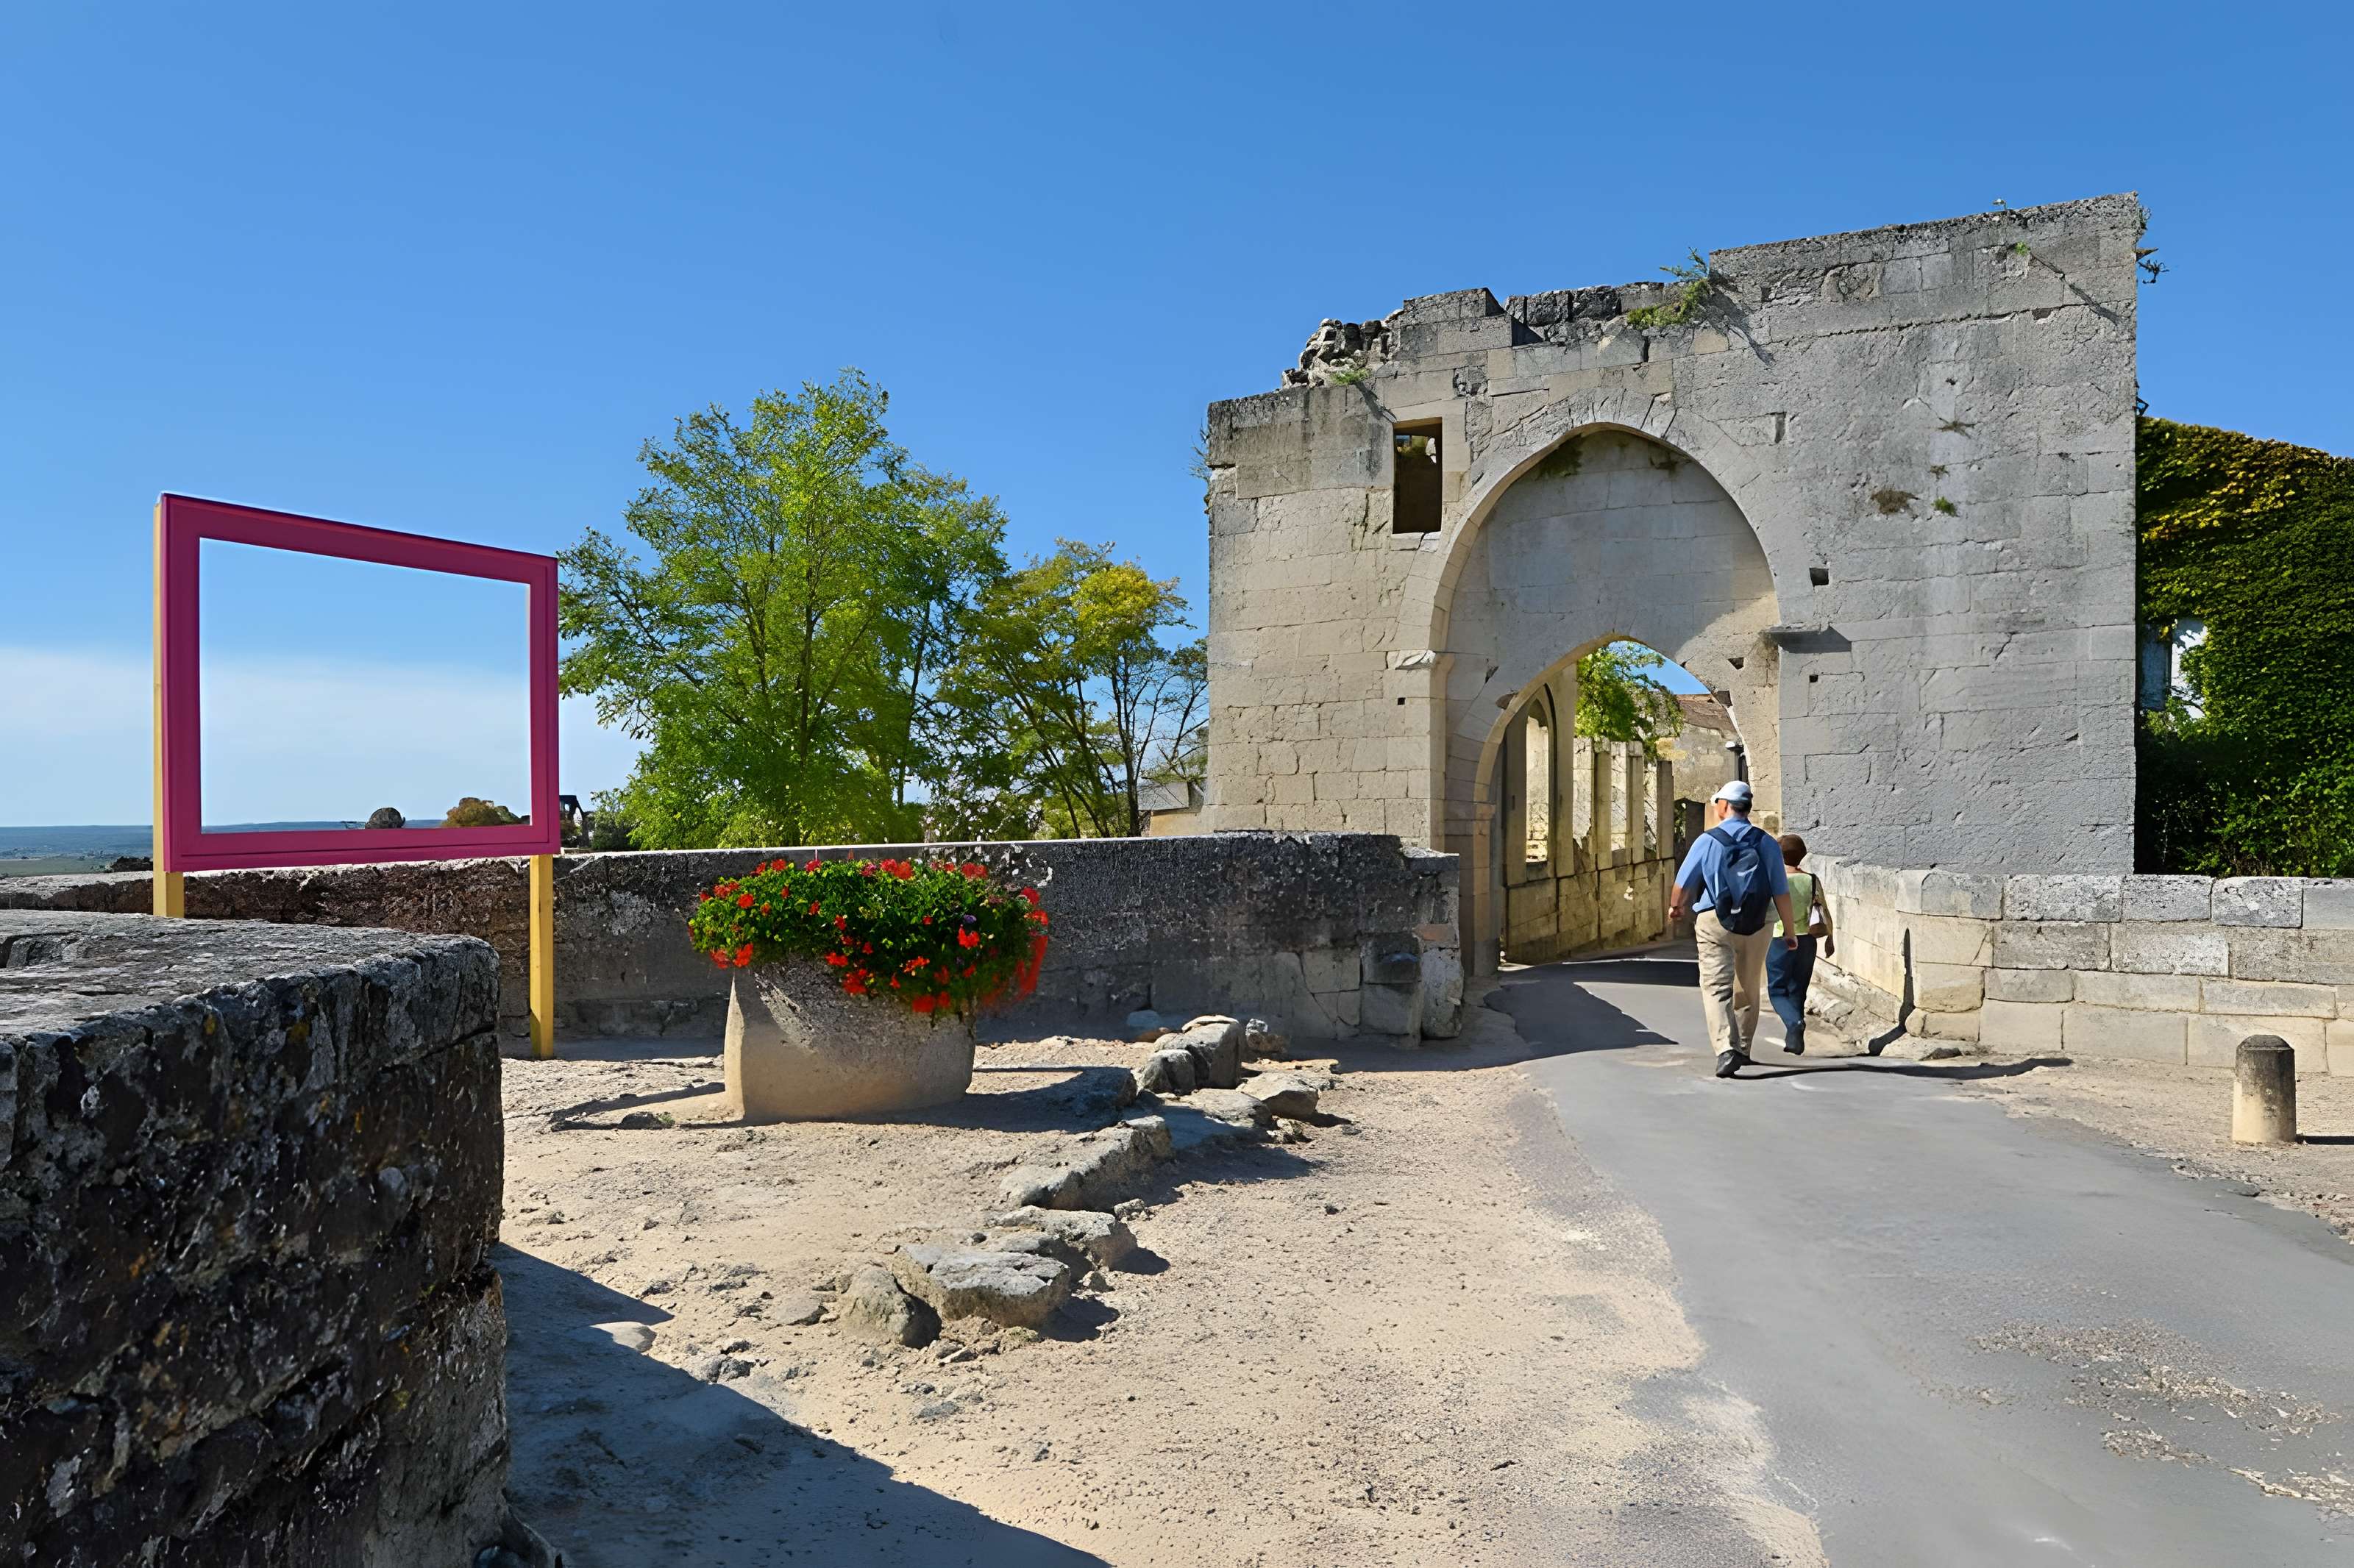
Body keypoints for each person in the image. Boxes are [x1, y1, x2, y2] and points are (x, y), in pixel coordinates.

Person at [1666, 780, 1798, 1077]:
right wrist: (1789, 931)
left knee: (1716, 985)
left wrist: (1677, 907)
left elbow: (1683, 882)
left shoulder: (1707, 840)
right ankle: (1743, 1048)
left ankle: (1726, 1048)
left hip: (1715, 920)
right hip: (1759, 923)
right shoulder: (1766, 843)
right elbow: (1781, 891)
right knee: (1748, 986)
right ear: (1747, 808)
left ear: (1724, 806)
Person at [1766, 833, 1834, 1056]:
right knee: (1798, 988)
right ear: (1802, 856)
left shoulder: (1774, 879)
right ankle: (1794, 1040)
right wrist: (1830, 938)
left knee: (1777, 989)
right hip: (1807, 941)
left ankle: (1794, 1023)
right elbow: (1823, 909)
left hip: (1780, 938)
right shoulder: (1812, 879)